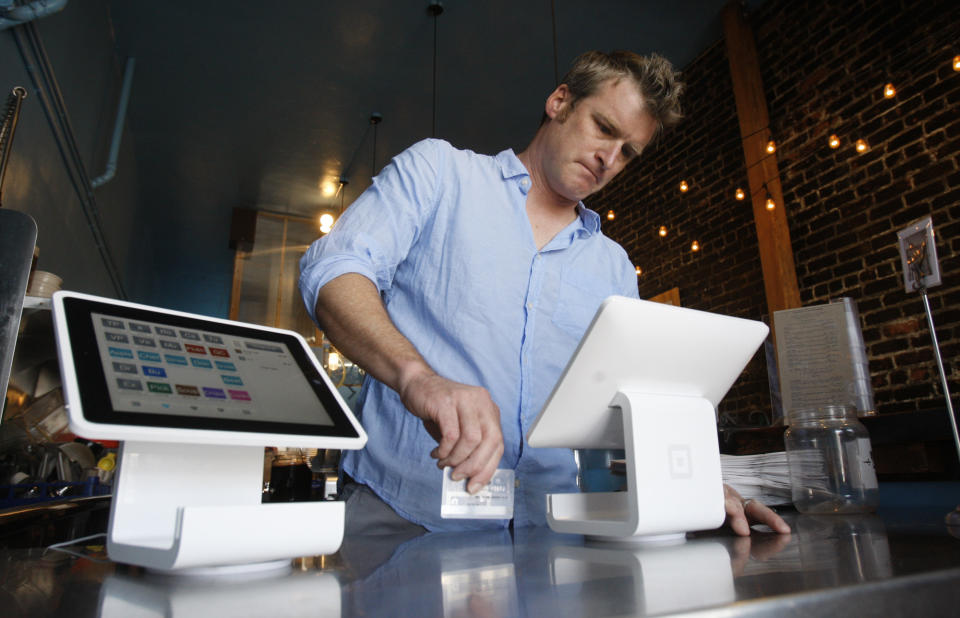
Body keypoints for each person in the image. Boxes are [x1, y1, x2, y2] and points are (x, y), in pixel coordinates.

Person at [299, 50, 789, 536]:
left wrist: (696, 485)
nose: (609, 159)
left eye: (629, 152)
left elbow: (630, 406)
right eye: (604, 127)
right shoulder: (441, 174)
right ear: (559, 102)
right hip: (403, 514)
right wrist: (418, 378)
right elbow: (335, 270)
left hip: (553, 532)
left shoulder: (614, 265)